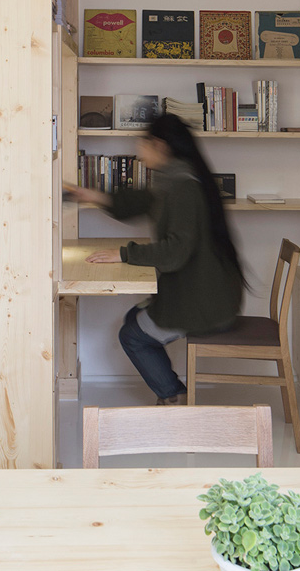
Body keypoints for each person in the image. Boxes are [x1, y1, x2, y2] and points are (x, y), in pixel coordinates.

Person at [66, 113, 244, 404]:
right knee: (133, 318)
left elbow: (175, 252)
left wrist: (124, 254)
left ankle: (174, 396)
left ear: (159, 145)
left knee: (131, 335)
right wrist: (92, 196)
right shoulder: (172, 179)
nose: (139, 151)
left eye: (142, 144)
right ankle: (171, 390)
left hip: (205, 302)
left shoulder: (183, 187)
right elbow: (138, 202)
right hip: (202, 292)